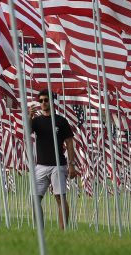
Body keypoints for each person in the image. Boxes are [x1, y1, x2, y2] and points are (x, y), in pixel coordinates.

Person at [30, 89, 78, 230]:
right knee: (35, 199)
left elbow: (69, 143)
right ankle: (40, 231)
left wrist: (71, 164)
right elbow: (26, 132)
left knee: (60, 198)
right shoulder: (36, 121)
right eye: (41, 101)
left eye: (46, 100)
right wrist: (29, 116)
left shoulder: (61, 121)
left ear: (51, 101)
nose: (43, 103)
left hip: (58, 165)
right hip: (41, 166)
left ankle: (62, 231)